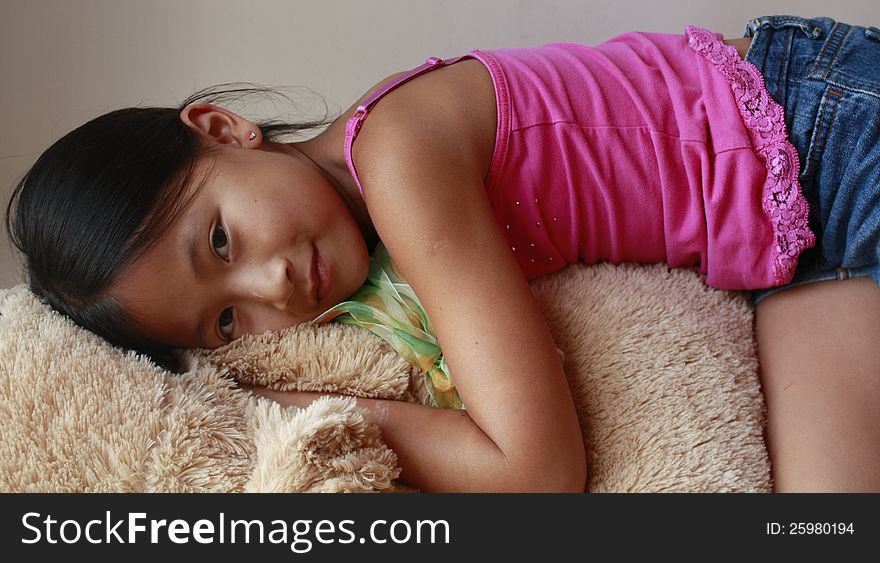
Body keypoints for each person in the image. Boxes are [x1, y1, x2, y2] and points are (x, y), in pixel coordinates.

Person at [6, 15, 879, 492]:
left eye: (220, 239)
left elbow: (537, 470)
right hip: (795, 251)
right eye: (227, 319)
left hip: (829, 127)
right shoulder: (372, 247)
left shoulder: (398, 156)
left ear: (223, 128)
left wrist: (294, 405)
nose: (270, 286)